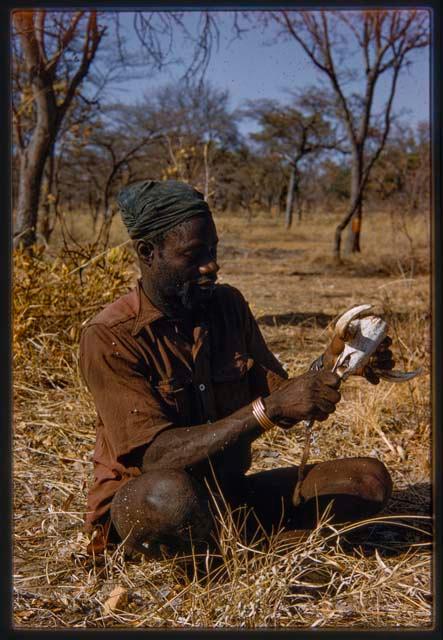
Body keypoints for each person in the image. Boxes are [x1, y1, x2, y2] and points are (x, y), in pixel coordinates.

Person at [79, 180, 394, 558]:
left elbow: (281, 395)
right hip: (145, 503)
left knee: (369, 480)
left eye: (212, 250)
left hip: (226, 494)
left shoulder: (227, 305)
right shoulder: (110, 336)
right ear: (148, 253)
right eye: (193, 254)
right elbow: (157, 457)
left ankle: (243, 547)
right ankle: (250, 553)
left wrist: (339, 361)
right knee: (170, 496)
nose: (211, 265)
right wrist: (268, 411)